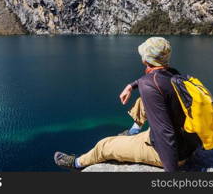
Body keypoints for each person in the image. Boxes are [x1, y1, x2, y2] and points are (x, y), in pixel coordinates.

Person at [54, 37, 201, 172]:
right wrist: (131, 86)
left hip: (171, 153)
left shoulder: (149, 85)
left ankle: (76, 163)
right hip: (188, 141)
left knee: (104, 146)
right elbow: (148, 81)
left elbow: (165, 133)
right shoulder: (173, 74)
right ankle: (133, 132)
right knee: (142, 100)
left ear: (145, 59)